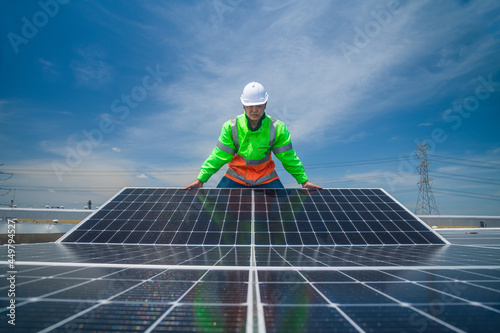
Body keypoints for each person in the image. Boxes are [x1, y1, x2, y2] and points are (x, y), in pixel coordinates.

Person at [185, 82, 322, 189]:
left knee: (283, 213)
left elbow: (289, 157)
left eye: (259, 105)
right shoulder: (231, 127)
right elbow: (218, 156)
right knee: (218, 213)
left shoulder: (278, 128)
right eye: (250, 105)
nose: (254, 109)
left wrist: (303, 181)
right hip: (235, 177)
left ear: (265, 104)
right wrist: (201, 179)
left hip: (266, 177)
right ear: (243, 105)